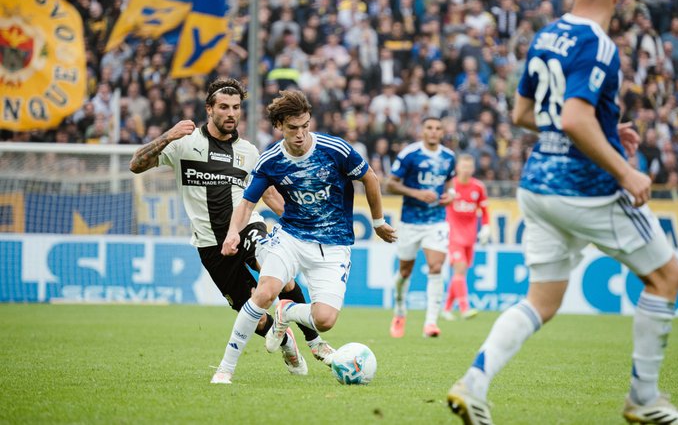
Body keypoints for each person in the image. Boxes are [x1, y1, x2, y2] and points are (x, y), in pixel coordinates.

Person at [447, 0, 678, 424]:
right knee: (667, 277)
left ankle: (473, 385)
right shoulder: (601, 44)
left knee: (542, 300)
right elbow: (574, 119)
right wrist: (625, 169)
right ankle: (644, 398)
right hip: (586, 188)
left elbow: (523, 113)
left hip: (537, 186)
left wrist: (607, 132)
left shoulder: (547, 33)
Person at [128, 79, 334, 384]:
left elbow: (270, 195)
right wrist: (169, 135)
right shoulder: (184, 144)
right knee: (254, 314)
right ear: (209, 109)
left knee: (279, 276)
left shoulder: (248, 152)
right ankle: (287, 340)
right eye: (224, 107)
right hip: (210, 245)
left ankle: (315, 342)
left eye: (236, 107)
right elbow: (136, 164)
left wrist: (304, 221)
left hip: (248, 228)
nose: (231, 113)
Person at [212, 89, 397, 384]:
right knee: (263, 293)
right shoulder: (271, 160)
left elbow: (370, 178)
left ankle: (288, 311)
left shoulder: (335, 149)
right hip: (291, 237)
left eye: (304, 126)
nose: (300, 134)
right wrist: (233, 233)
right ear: (280, 127)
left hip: (334, 245)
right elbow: (247, 203)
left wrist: (378, 222)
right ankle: (225, 368)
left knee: (325, 321)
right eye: (292, 128)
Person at [387, 117, 456, 338]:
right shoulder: (410, 154)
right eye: (429, 128)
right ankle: (399, 311)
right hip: (410, 221)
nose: (434, 132)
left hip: (436, 219)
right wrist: (417, 193)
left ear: (442, 132)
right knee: (405, 271)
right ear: (422, 131)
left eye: (438, 128)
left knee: (436, 267)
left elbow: (450, 183)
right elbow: (391, 184)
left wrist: (451, 195)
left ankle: (431, 323)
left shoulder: (448, 157)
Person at [441, 153, 490, 321]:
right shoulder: (451, 186)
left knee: (460, 275)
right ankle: (464, 308)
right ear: (457, 168)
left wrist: (486, 228)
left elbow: (484, 211)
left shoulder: (478, 187)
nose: (466, 170)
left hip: (470, 237)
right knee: (460, 270)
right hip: (453, 236)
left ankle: (446, 308)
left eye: (469, 167)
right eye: (463, 166)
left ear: (473, 168)